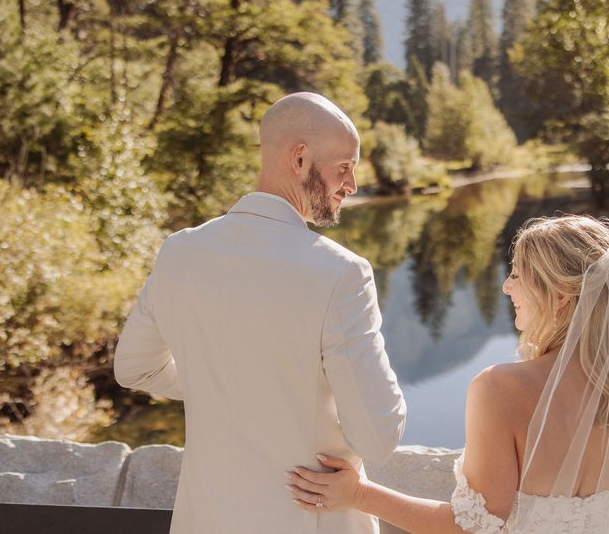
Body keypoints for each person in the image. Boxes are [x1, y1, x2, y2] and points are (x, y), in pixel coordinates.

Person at [287, 215, 609, 533]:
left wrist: (359, 493)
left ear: (559, 297)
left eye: (517, 274)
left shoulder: (501, 389)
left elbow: (472, 528)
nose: (506, 287)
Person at [115, 92, 407, 533]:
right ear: (300, 158)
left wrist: (219, 380)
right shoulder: (342, 273)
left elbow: (133, 368)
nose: (352, 184)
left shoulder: (180, 251)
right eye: (344, 167)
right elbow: (378, 435)